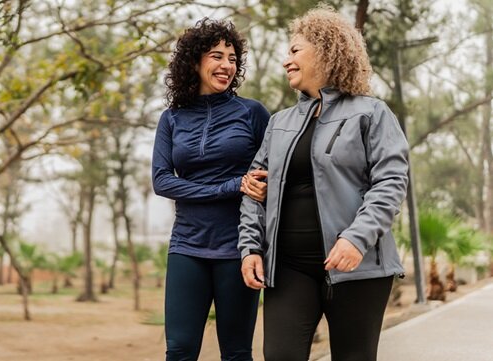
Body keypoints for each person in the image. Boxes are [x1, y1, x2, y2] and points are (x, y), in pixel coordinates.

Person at [238, 6, 409, 361]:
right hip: (288, 268)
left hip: (357, 267)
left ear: (326, 50)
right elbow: (254, 189)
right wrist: (250, 248)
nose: (286, 60)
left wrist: (355, 238)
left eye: (295, 50)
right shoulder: (279, 123)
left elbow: (390, 182)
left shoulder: (371, 113)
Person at [152, 18, 270, 361]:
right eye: (217, 56)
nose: (226, 66)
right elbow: (162, 181)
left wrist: (253, 193)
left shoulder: (252, 113)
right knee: (179, 350)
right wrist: (231, 186)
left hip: (238, 246)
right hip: (187, 245)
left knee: (236, 353)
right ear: (194, 61)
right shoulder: (172, 118)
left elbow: (269, 175)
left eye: (232, 59)